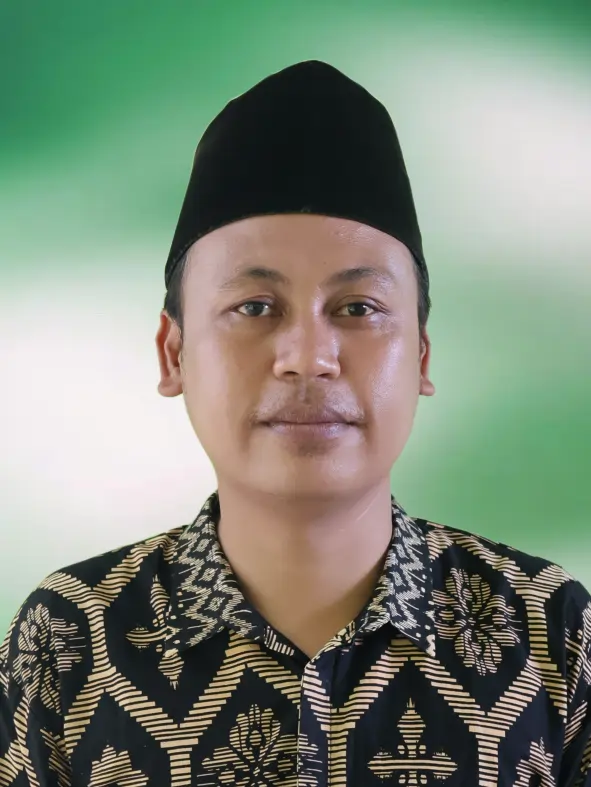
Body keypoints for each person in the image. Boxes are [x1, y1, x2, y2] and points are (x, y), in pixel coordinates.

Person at [1, 59, 589, 787]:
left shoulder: (550, 632)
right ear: (174, 352)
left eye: (358, 309)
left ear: (421, 356)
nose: (308, 357)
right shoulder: (69, 637)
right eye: (255, 307)